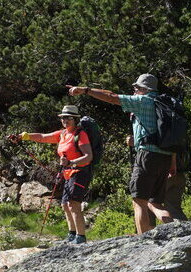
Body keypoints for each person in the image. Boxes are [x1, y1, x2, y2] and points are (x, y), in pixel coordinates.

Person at [67, 74, 175, 234]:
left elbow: (111, 97)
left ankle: (143, 243)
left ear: (145, 89)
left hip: (147, 155)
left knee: (139, 201)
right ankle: (176, 233)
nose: (134, 90)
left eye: (136, 87)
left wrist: (86, 90)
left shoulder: (142, 101)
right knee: (156, 203)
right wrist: (172, 162)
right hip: (165, 156)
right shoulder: (164, 103)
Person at [9, 105, 93, 244]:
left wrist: (71, 162)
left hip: (80, 172)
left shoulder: (80, 135)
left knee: (73, 204)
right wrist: (23, 137)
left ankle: (81, 237)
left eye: (68, 118)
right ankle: (72, 234)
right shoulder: (62, 134)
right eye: (63, 118)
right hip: (68, 173)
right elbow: (42, 137)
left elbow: (88, 157)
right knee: (65, 204)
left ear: (75, 119)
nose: (65, 120)